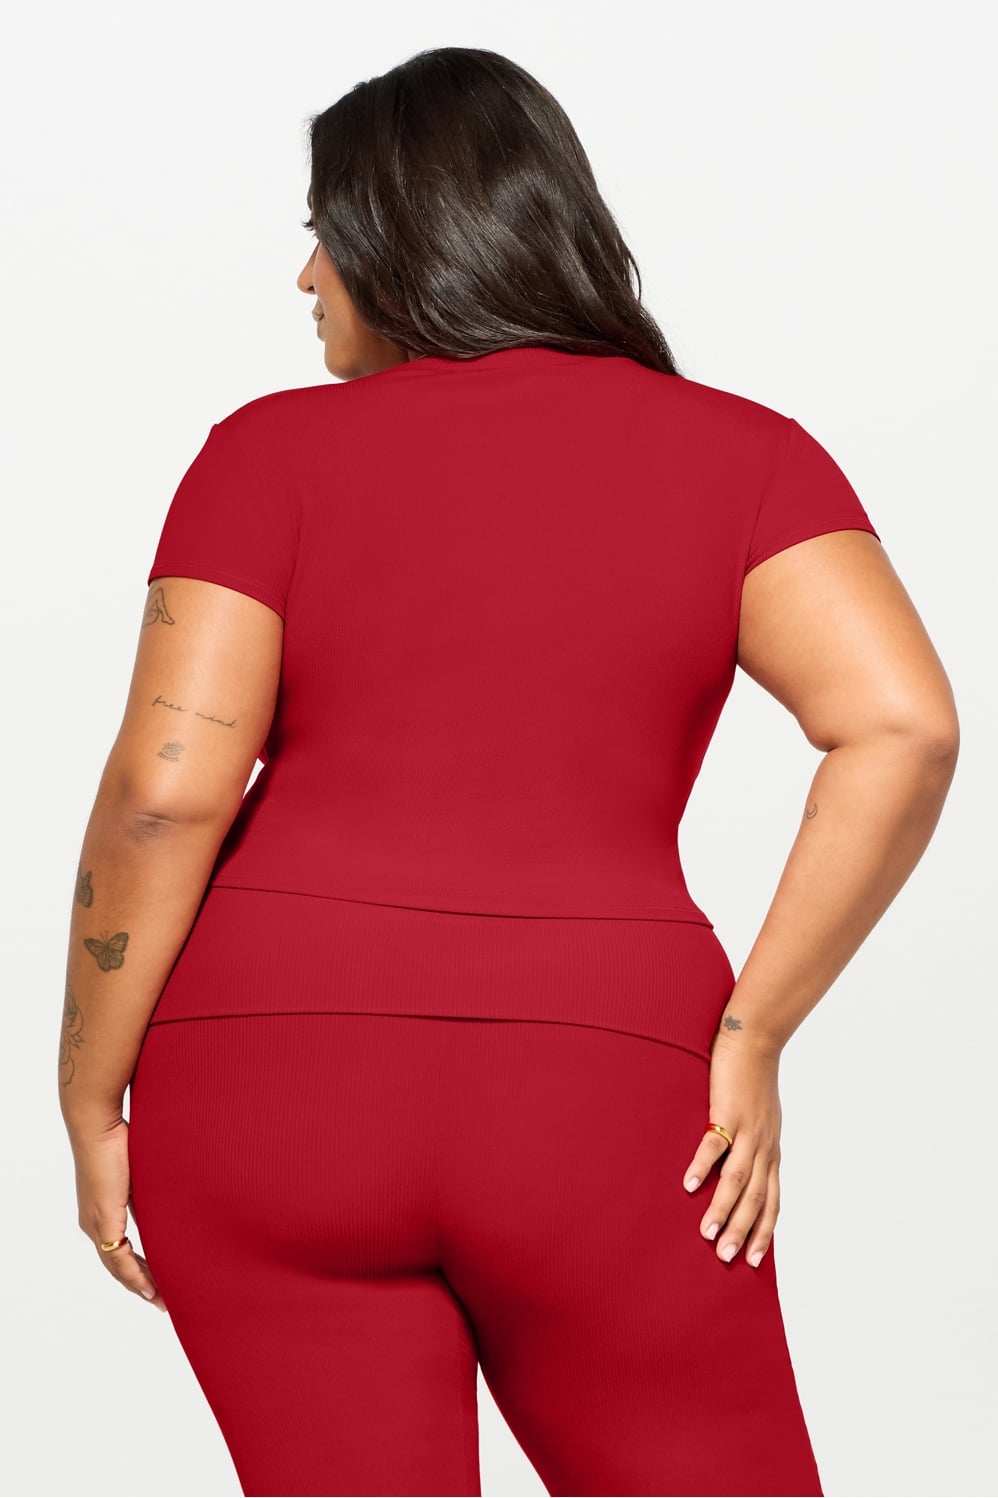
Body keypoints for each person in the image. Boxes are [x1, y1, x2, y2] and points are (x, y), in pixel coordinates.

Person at [57, 44, 959, 1498]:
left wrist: (91, 1097)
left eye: (323, 232)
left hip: (267, 1078)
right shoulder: (746, 456)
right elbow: (903, 725)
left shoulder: (262, 453)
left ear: (398, 236)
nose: (305, 278)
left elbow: (164, 790)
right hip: (601, 1083)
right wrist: (752, 1033)